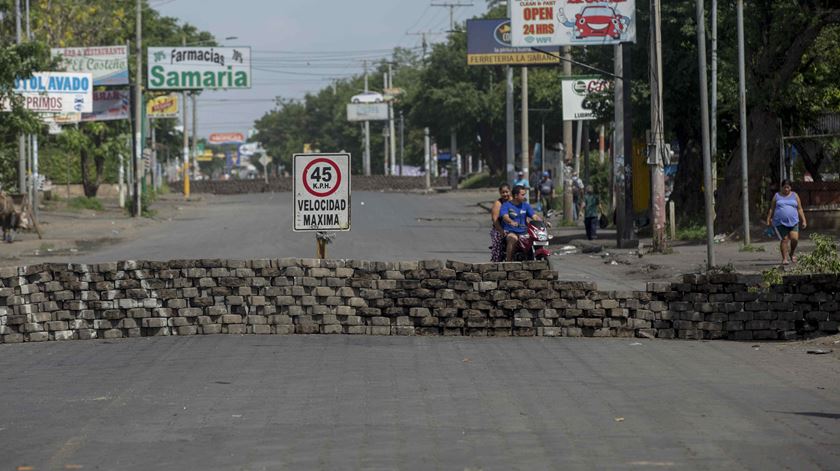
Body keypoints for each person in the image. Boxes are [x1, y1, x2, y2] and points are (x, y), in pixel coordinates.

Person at [766, 179, 807, 265]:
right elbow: (771, 208)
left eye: (788, 187)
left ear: (790, 187)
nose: (786, 189)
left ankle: (791, 252)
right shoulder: (777, 196)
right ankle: (784, 258)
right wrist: (768, 218)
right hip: (780, 222)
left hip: (794, 221)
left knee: (794, 239)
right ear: (782, 187)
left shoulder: (795, 195)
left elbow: (799, 208)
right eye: (784, 187)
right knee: (784, 239)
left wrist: (804, 220)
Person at [500, 185, 542, 261]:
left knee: (536, 238)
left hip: (524, 232)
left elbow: (534, 216)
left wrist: (543, 222)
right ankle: (508, 263)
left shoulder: (526, 205)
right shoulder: (506, 205)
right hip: (511, 231)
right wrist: (511, 221)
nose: (524, 196)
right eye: (522, 195)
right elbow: (505, 216)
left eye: (524, 194)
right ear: (516, 195)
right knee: (513, 239)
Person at [489, 183, 512, 262]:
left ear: (510, 191)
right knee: (498, 241)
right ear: (500, 193)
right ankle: (496, 262)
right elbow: (495, 220)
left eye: (507, 192)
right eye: (503, 192)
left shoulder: (515, 201)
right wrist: (501, 231)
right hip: (500, 229)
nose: (505, 194)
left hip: (514, 228)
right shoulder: (498, 203)